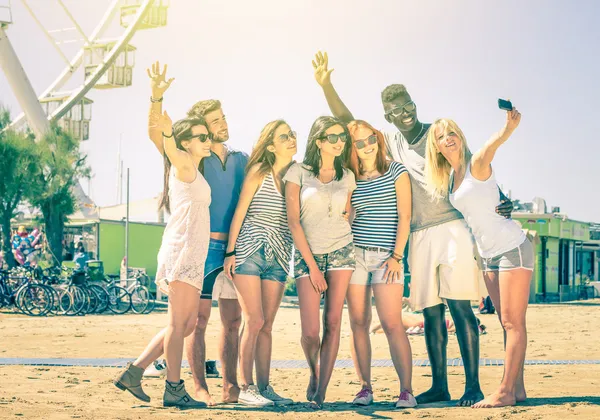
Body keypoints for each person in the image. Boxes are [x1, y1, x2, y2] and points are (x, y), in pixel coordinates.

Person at [312, 51, 513, 406]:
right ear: (388, 116)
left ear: (414, 104)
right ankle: (439, 386)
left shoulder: (438, 134)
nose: (404, 114)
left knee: (460, 307)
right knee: (431, 311)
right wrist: (327, 86)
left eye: (408, 106)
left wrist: (504, 198)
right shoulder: (391, 142)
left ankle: (473, 386)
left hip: (452, 228)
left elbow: (474, 166)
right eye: (396, 111)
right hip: (418, 235)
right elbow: (349, 120)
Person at [139, 62, 248, 404]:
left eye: (223, 118)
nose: (222, 124)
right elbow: (158, 135)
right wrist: (156, 98)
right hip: (192, 251)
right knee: (193, 322)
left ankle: (230, 387)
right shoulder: (191, 161)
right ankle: (192, 387)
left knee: (227, 320)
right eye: (214, 122)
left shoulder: (241, 158)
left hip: (225, 251)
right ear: (200, 130)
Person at [424, 107, 531, 408]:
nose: (449, 138)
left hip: (512, 247)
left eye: (452, 132)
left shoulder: (476, 163)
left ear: (460, 137)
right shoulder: (450, 179)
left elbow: (492, 145)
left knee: (513, 324)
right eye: (441, 136)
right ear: (436, 146)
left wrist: (507, 128)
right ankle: (518, 389)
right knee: (505, 323)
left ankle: (505, 391)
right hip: (488, 256)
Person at [114, 110, 212, 408]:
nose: (208, 141)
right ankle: (173, 387)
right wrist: (167, 130)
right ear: (185, 143)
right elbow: (167, 144)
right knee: (178, 323)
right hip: (182, 253)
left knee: (188, 324)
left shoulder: (192, 167)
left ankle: (135, 372)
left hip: (193, 254)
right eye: (202, 137)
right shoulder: (182, 164)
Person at [222, 120, 297, 406]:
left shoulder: (295, 175)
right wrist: (230, 253)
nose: (291, 139)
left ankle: (265, 388)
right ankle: (245, 388)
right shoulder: (258, 171)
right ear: (270, 145)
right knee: (254, 321)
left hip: (279, 255)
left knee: (267, 325)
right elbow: (240, 213)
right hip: (250, 251)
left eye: (291, 135)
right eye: (284, 137)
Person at [284, 116, 356, 408]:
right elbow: (293, 221)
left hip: (342, 250)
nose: (339, 142)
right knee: (310, 331)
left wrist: (344, 222)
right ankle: (313, 372)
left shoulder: (347, 175)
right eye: (333, 137)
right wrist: (313, 267)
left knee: (334, 321)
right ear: (318, 141)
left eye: (342, 137)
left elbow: (348, 211)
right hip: (307, 255)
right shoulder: (297, 172)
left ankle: (322, 390)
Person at [343, 119, 416, 408]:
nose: (367, 146)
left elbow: (405, 217)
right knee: (358, 323)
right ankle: (364, 388)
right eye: (359, 143)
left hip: (387, 258)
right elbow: (347, 216)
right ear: (353, 148)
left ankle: (406, 391)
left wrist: (397, 256)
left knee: (392, 323)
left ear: (377, 138)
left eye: (370, 139)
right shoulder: (349, 176)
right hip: (354, 257)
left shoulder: (396, 170)